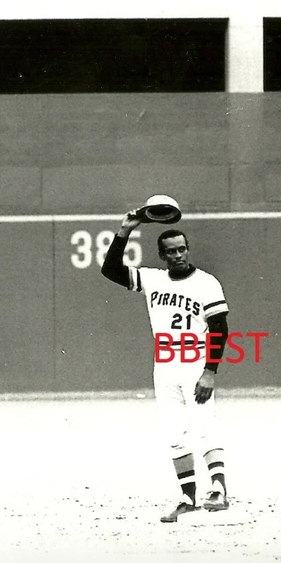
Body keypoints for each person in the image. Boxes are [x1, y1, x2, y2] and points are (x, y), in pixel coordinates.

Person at [101, 206, 232, 524]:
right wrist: (125, 230)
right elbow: (111, 270)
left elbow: (220, 329)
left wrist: (210, 371)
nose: (178, 255)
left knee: (204, 426)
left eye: (182, 249)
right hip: (165, 366)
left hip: (194, 362)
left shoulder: (206, 283)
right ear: (162, 255)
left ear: (188, 250)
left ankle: (218, 490)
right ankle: (188, 497)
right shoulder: (153, 279)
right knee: (175, 433)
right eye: (171, 251)